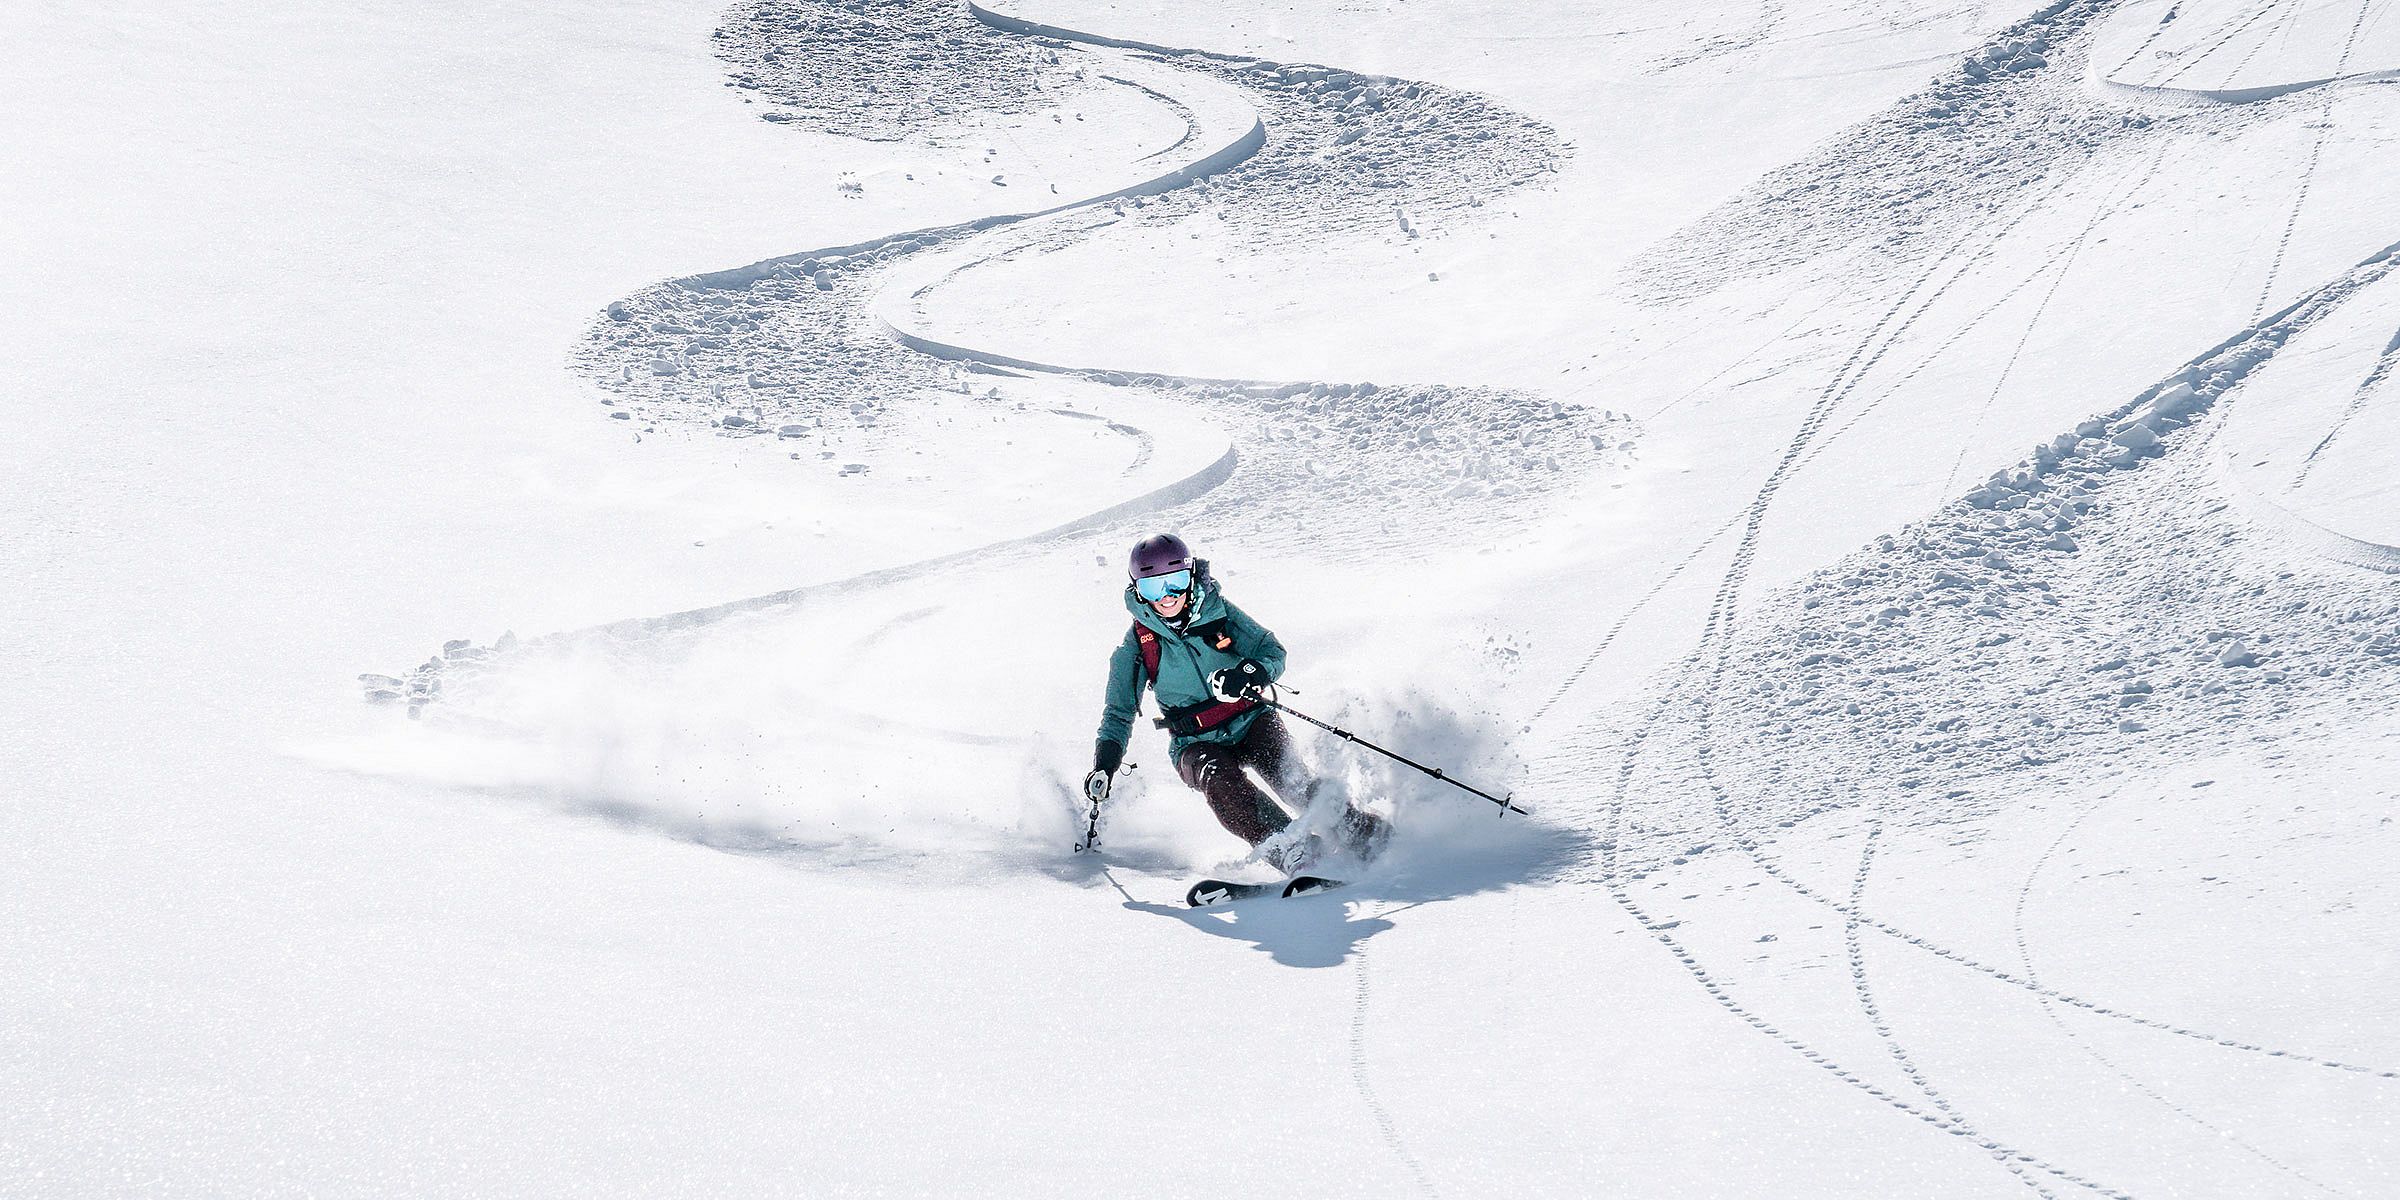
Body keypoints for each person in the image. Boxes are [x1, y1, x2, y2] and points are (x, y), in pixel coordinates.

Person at [1083, 533, 1388, 873]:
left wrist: (1249, 672)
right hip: (1194, 741)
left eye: (1176, 583)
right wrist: (1105, 762)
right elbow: (1118, 711)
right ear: (1137, 590)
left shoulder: (1218, 613)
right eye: (1154, 589)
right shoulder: (1138, 646)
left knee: (1291, 779)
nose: (1167, 597)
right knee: (1219, 781)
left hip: (1251, 718)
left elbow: (1271, 651)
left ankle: (1359, 830)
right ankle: (1291, 848)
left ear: (1190, 577)